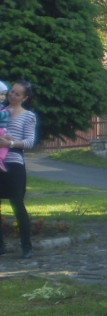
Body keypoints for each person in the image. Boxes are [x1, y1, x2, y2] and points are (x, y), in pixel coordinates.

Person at [0, 80, 37, 259]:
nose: (12, 96)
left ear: (25, 98)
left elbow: (29, 142)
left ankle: (26, 246)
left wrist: (10, 143)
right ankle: (0, 246)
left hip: (14, 163)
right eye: (12, 92)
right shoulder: (0, 111)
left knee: (17, 203)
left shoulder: (28, 116)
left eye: (17, 94)